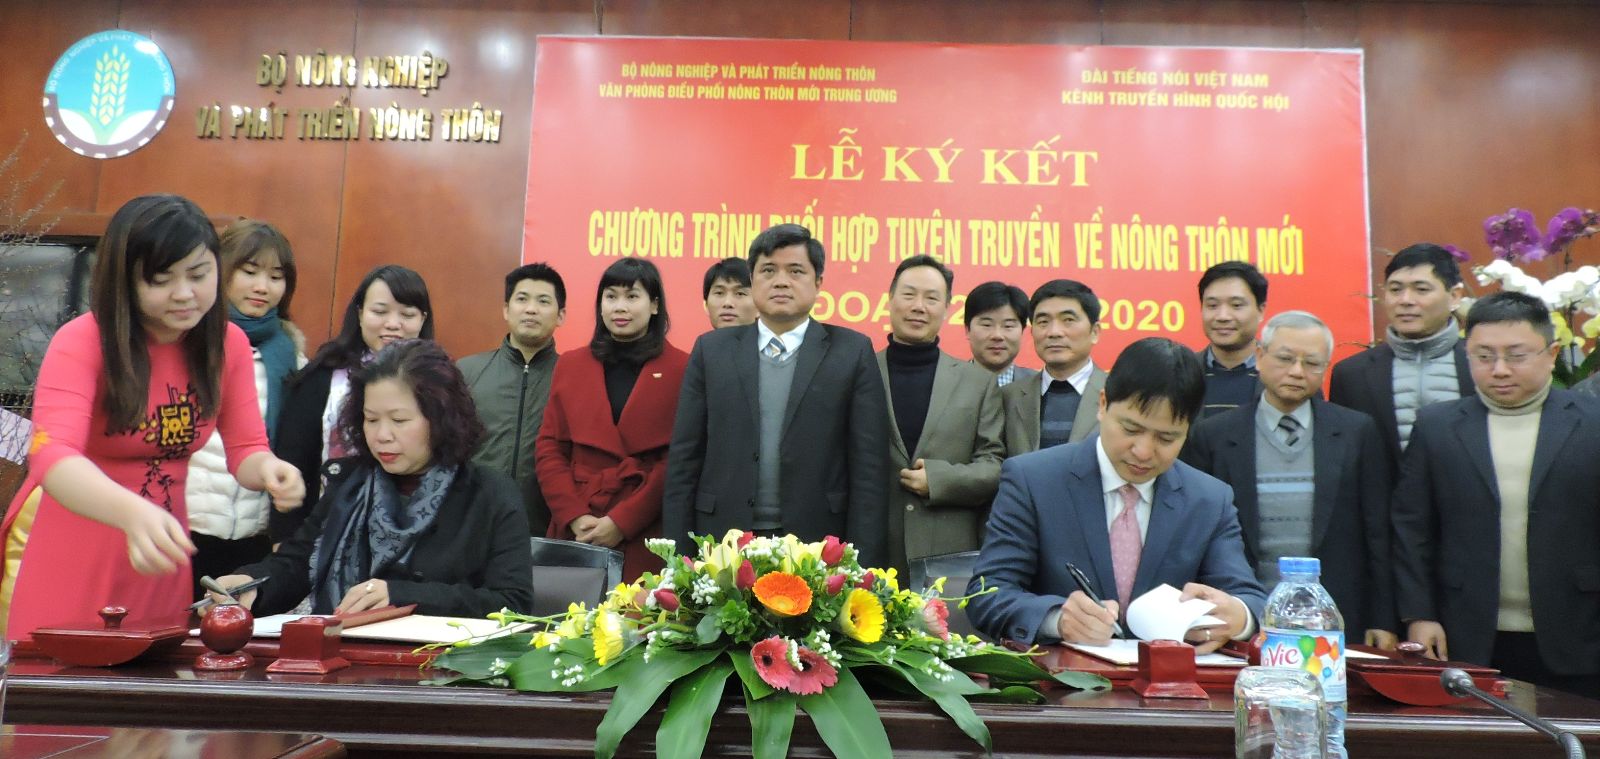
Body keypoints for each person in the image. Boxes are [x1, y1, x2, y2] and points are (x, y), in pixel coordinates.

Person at [0, 195, 304, 637]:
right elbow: (52, 457)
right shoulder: (83, 342)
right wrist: (132, 514)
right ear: (125, 281)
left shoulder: (228, 345)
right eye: (161, 280)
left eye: (198, 275)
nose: (185, 294)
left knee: (154, 672)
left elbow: (246, 450)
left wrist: (270, 470)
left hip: (160, 561)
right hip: (78, 557)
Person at [966, 337, 1265, 649]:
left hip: (1168, 677)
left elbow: (1251, 598)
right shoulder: (1034, 480)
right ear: (1103, 404)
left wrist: (1238, 616)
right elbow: (988, 593)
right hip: (1059, 675)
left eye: (1166, 438)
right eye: (1131, 430)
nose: (1143, 451)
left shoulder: (1209, 499)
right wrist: (1057, 619)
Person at [219, 339, 531, 617]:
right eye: (371, 419)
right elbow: (297, 563)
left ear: (442, 419)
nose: (382, 435)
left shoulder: (490, 493)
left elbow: (512, 602)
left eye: (399, 420)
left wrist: (401, 596)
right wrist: (252, 584)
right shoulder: (350, 485)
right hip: (344, 652)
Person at [1393, 292, 1600, 697]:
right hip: (1465, 632)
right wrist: (1419, 615)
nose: (1500, 369)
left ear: (1551, 354)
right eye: (1484, 356)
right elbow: (1412, 529)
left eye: (1516, 356)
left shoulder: (1591, 424)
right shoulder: (1437, 428)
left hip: (1580, 631)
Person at [664, 224, 889, 565]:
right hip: (722, 541)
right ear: (753, 280)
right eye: (768, 271)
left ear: (818, 282)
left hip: (819, 545)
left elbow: (869, 471)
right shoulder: (711, 351)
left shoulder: (852, 352)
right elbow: (684, 460)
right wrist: (678, 560)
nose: (781, 281)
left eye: (795, 271)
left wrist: (861, 565)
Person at [1180, 311, 1396, 645]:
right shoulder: (1214, 436)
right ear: (1260, 356)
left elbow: (1377, 531)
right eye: (1285, 358)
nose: (1297, 371)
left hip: (1334, 617)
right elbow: (1198, 534)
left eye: (1312, 363)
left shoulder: (1357, 431)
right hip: (1240, 616)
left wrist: (1383, 619)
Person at [537, 258, 686, 582]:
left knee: (640, 611)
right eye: (611, 296)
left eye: (632, 296)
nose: (620, 307)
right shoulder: (571, 364)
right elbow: (550, 448)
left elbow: (679, 459)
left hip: (645, 528)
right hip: (578, 527)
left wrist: (622, 521)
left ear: (655, 305)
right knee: (568, 611)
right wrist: (574, 515)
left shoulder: (682, 368)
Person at [185, 220, 308, 599]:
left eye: (275, 277)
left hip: (254, 538)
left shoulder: (292, 357)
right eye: (250, 272)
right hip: (181, 530)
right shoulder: (186, 341)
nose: (262, 287)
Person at [273, 265, 433, 543]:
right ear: (359, 313)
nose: (393, 324)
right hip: (325, 531)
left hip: (412, 535)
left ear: (422, 319)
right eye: (380, 312)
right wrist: (283, 539)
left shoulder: (437, 383)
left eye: (407, 314)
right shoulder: (322, 377)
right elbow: (292, 461)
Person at [877, 256, 1004, 575]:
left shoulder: (978, 382)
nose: (919, 306)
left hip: (947, 553)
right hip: (872, 550)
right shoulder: (860, 370)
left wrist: (939, 480)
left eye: (931, 298)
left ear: (946, 308)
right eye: (909, 294)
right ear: (890, 300)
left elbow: (994, 465)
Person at [1329, 244, 1472, 466]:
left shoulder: (1483, 365)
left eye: (1421, 289)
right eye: (1395, 290)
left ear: (1454, 296)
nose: (1405, 300)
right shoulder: (1351, 375)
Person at [458, 263, 565, 536]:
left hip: (547, 531)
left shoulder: (573, 377)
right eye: (522, 299)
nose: (531, 309)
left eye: (543, 301)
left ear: (561, 315)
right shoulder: (466, 372)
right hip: (473, 526)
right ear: (506, 310)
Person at [999, 280, 1106, 457]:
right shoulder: (1007, 397)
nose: (1054, 332)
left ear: (1095, 332)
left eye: (1068, 320)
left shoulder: (1120, 395)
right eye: (1043, 322)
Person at [1196, 261, 1267, 419]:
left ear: (1261, 310)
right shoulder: (1180, 374)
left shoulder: (1286, 375)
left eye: (1236, 305)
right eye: (1212, 305)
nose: (1222, 316)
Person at [963, 281, 1036, 387]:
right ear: (967, 330)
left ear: (1022, 331)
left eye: (1008, 326)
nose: (997, 335)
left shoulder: (1039, 386)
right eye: (987, 325)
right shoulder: (944, 383)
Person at [702, 257, 757, 329]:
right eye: (719, 293)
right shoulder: (702, 338)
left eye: (740, 293)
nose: (727, 303)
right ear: (706, 305)